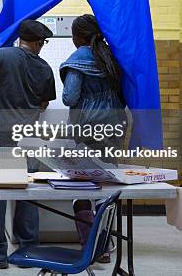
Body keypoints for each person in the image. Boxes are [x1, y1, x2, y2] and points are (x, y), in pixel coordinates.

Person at [0, 19, 56, 269]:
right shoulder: (44, 67)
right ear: (38, 42)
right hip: (29, 137)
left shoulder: (1, 56)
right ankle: (28, 251)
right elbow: (43, 104)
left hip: (2, 136)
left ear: (20, 38)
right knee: (27, 193)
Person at [60, 14, 127, 263]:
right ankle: (107, 246)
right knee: (106, 186)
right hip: (115, 125)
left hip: (88, 126)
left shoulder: (78, 59)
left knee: (80, 185)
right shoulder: (111, 55)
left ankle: (93, 247)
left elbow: (69, 98)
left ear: (77, 36)